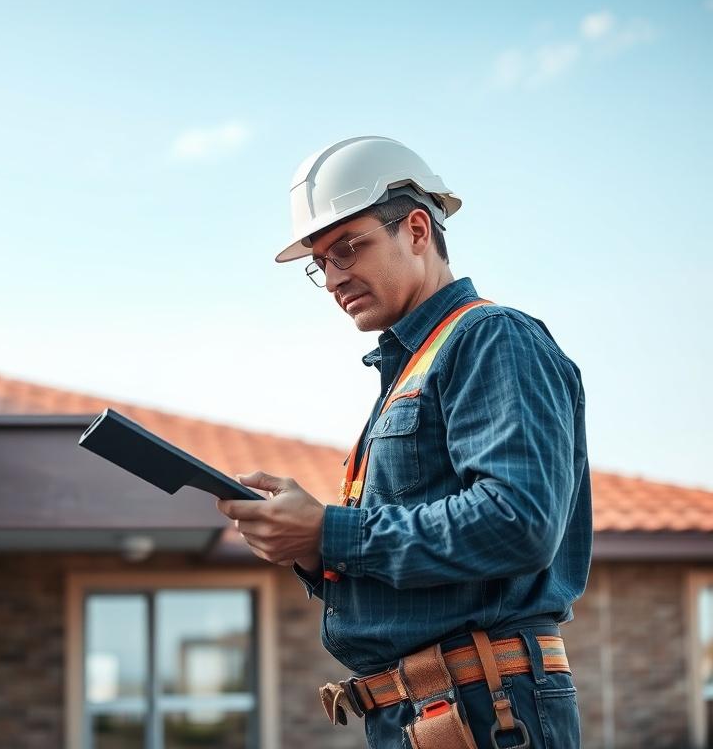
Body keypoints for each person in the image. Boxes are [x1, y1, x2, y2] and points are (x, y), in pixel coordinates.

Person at [215, 136, 591, 748]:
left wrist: (328, 531)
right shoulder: (413, 370)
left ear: (417, 229)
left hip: (484, 708)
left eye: (349, 248)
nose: (334, 277)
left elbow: (518, 521)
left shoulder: (492, 338)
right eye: (320, 263)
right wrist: (310, 547)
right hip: (428, 711)